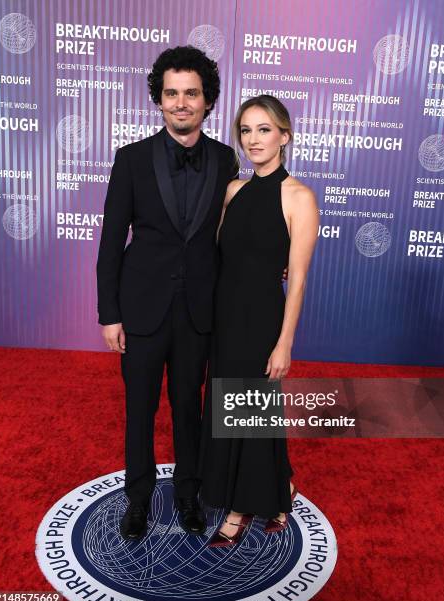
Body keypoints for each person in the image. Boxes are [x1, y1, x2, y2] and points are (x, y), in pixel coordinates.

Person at [96, 46, 238, 540]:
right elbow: (112, 239)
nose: (181, 103)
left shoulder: (225, 159)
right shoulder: (131, 159)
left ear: (207, 101)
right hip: (140, 309)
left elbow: (230, 232)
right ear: (158, 98)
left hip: (199, 309)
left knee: (189, 407)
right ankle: (137, 500)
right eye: (172, 93)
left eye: (191, 94)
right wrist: (108, 313)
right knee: (140, 409)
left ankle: (187, 495)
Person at [199, 95, 319, 546]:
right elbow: (217, 253)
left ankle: (239, 507)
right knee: (236, 409)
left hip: (262, 318)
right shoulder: (232, 190)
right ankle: (281, 482)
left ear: (285, 136)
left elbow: (299, 279)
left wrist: (285, 342)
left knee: (249, 410)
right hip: (224, 316)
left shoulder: (299, 197)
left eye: (264, 129)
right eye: (246, 130)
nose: (253, 139)